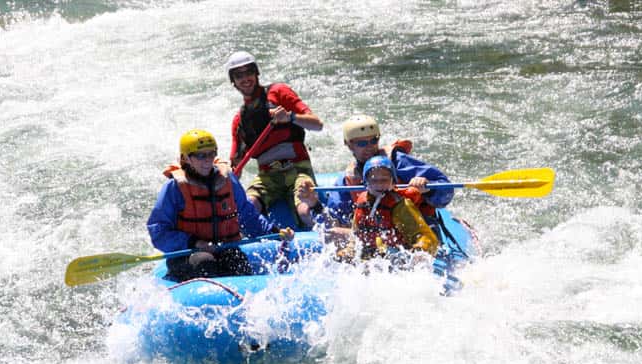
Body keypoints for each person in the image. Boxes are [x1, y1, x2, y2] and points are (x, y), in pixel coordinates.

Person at [147, 129, 292, 282]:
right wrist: (194, 242)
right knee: (205, 262)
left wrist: (275, 232)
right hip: (188, 253)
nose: (207, 160)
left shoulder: (226, 179)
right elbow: (158, 230)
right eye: (201, 155)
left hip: (223, 249)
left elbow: (248, 215)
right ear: (186, 158)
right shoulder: (174, 188)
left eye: (211, 153)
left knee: (238, 262)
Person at [298, 114, 453, 242]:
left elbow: (446, 190)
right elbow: (335, 224)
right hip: (380, 237)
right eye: (362, 143)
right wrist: (314, 204)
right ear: (349, 145)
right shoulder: (347, 180)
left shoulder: (398, 161)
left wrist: (428, 188)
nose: (370, 146)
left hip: (418, 227)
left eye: (374, 140)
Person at [225, 51, 324, 227]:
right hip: (267, 177)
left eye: (249, 72)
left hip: (297, 168)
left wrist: (290, 117)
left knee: (304, 210)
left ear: (256, 73)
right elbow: (235, 166)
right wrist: (228, 172)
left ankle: (324, 232)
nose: (245, 78)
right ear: (233, 81)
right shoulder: (239, 121)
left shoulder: (279, 92)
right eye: (239, 75)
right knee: (248, 207)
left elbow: (317, 124)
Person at [336, 156, 439, 263]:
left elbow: (427, 238)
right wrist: (349, 251)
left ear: (392, 182)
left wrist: (419, 251)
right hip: (377, 254)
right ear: (366, 182)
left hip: (402, 255)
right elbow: (356, 237)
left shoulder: (401, 205)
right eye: (374, 180)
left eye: (384, 179)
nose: (379, 184)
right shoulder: (362, 204)